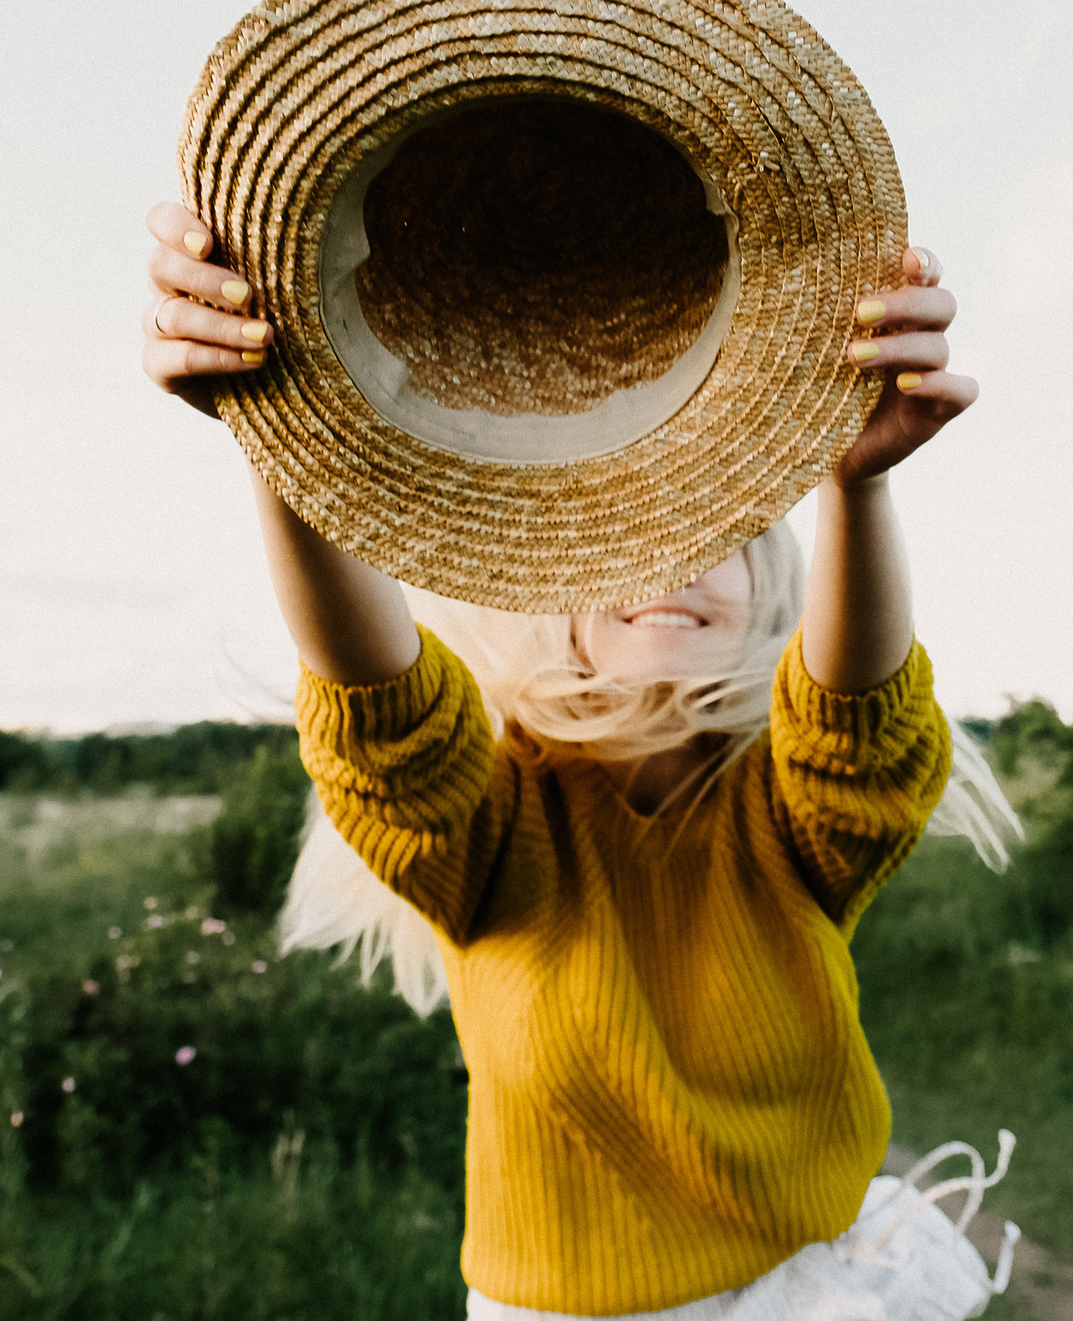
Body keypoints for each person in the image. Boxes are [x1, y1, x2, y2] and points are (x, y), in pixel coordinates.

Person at [139, 200, 1020, 1319]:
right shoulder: (490, 825)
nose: (672, 567)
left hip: (810, 1285)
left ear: (771, 584)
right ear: (544, 590)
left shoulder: (789, 812)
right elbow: (379, 705)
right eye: (623, 542)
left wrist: (856, 481)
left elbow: (857, 720)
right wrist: (281, 428)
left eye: (717, 537)